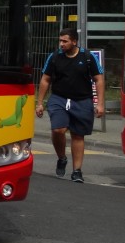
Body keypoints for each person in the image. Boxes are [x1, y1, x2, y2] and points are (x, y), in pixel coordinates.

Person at [35, 27, 105, 183]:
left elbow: (99, 79)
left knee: (78, 135)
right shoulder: (54, 57)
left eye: (65, 41)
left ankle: (77, 171)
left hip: (82, 100)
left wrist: (99, 104)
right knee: (58, 129)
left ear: (74, 41)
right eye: (60, 41)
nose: (61, 44)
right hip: (59, 98)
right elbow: (45, 80)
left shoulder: (87, 57)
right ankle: (62, 158)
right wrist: (40, 103)